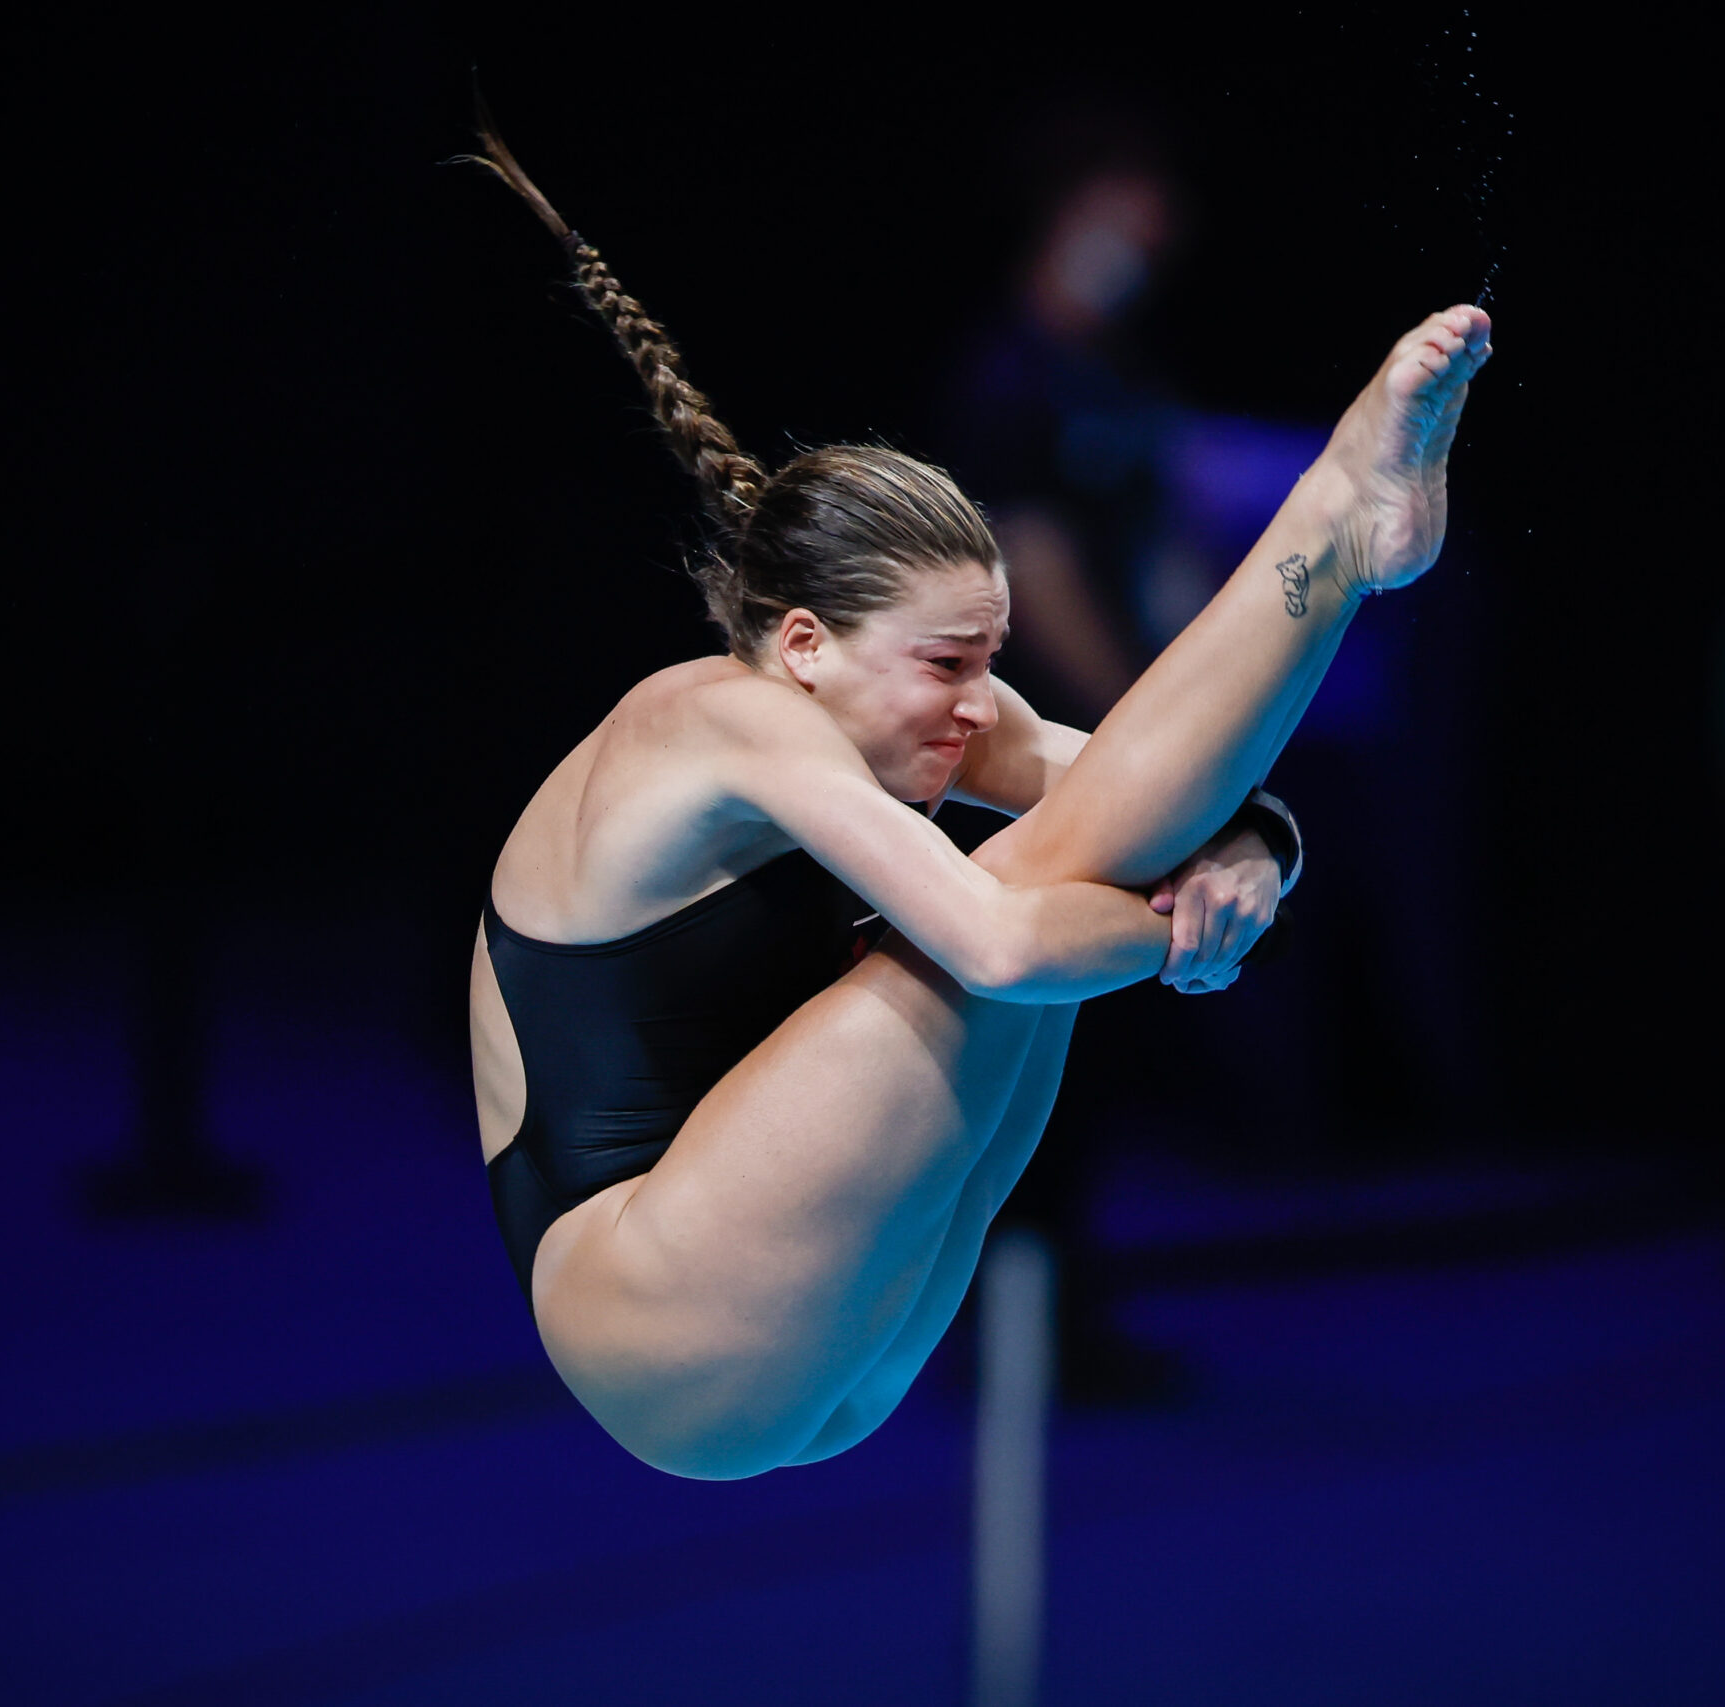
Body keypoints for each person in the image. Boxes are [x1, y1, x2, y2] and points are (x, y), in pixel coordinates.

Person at [459, 125, 1492, 1478]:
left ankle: (1342, 538)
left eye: (988, 660)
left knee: (1068, 851)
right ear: (806, 645)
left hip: (819, 1342)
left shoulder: (891, 704)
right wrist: (1192, 923)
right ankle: (1331, 527)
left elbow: (1128, 785)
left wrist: (1254, 844)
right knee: (1014, 902)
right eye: (947, 665)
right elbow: (998, 945)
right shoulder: (711, 717)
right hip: (655, 1320)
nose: (976, 704)